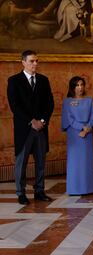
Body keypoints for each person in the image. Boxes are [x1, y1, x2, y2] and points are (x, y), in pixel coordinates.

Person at [7, 50, 54, 205]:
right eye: (32, 61)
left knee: (41, 161)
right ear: (23, 62)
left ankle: (39, 191)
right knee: (22, 163)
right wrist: (31, 121)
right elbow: (15, 105)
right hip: (24, 129)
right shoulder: (14, 80)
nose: (35, 64)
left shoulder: (43, 80)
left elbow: (50, 104)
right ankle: (21, 193)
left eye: (36, 61)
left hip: (41, 128)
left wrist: (42, 121)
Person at [61, 76, 93, 195]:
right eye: (77, 85)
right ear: (72, 87)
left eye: (82, 85)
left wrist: (87, 129)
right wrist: (81, 128)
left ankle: (89, 188)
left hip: (87, 134)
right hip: (74, 134)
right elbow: (69, 119)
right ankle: (74, 189)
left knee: (86, 161)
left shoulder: (89, 101)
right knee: (75, 162)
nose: (80, 87)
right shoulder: (67, 102)